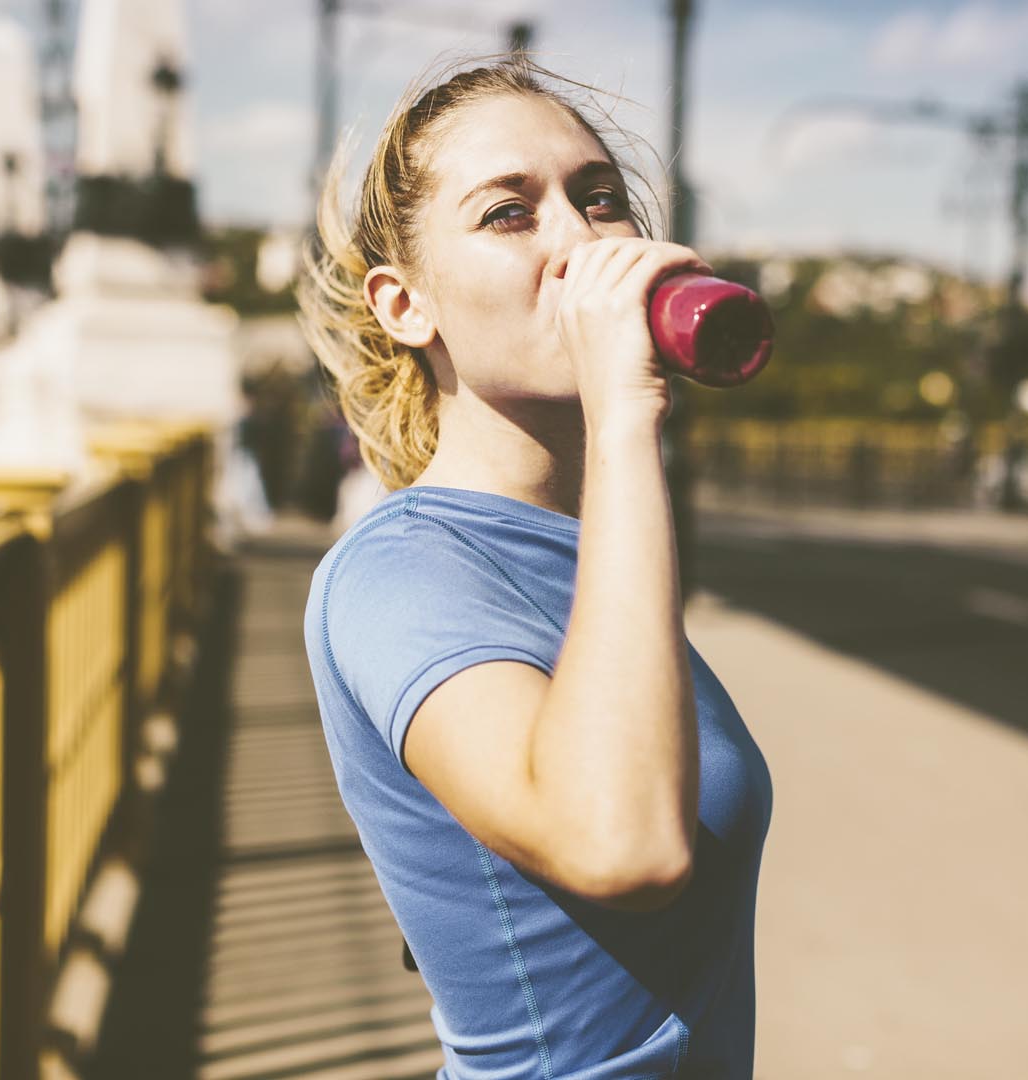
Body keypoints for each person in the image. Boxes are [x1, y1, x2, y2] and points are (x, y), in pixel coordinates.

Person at [296, 53, 773, 1078]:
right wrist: (627, 417)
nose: (581, 240)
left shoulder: (592, 553)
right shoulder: (398, 576)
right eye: (510, 214)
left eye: (601, 201)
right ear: (403, 306)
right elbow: (622, 846)